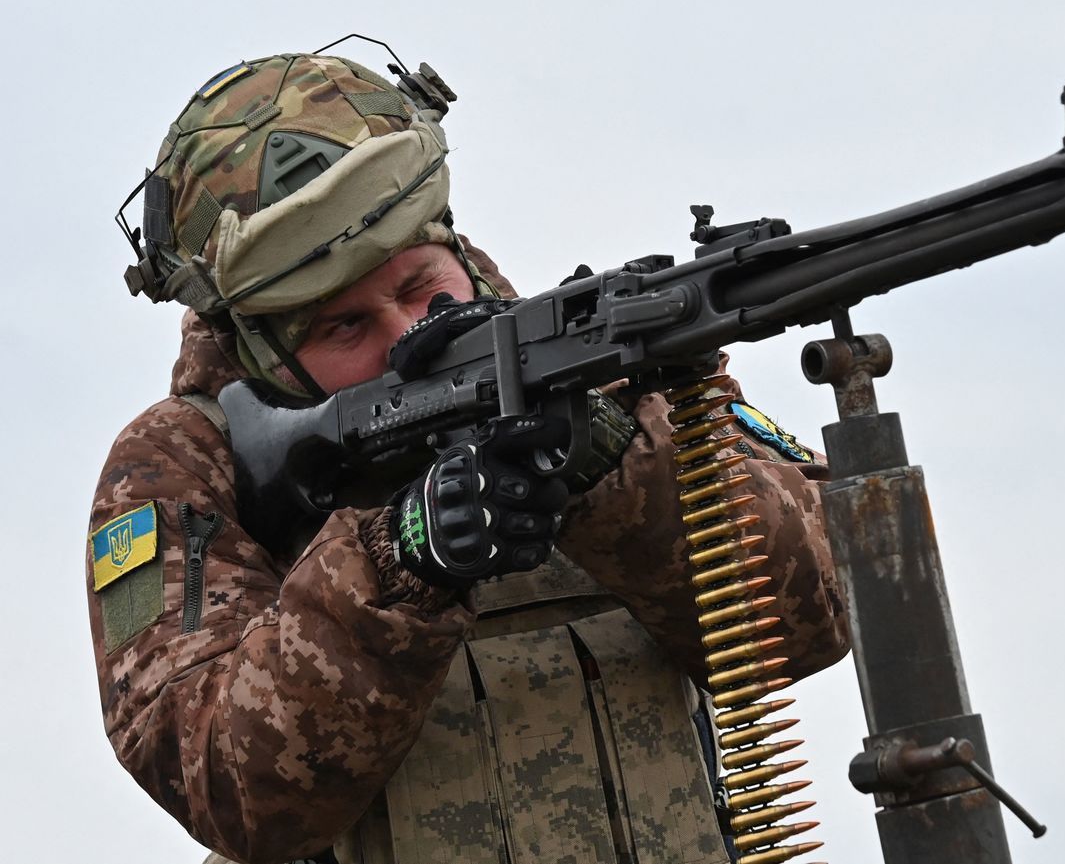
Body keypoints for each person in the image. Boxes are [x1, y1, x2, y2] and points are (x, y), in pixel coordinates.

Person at [88, 47, 849, 864]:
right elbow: (221, 784)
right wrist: (402, 558)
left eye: (421, 286)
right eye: (344, 326)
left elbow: (820, 612)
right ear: (259, 347)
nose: (406, 332)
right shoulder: (183, 466)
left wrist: (606, 460)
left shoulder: (603, 363)